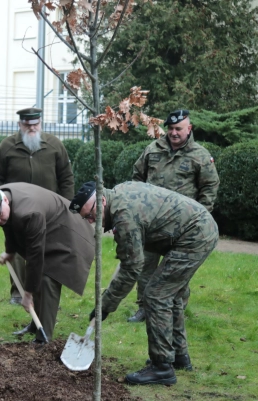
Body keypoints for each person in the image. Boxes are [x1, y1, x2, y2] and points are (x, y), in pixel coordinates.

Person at [70, 181, 218, 385]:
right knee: (170, 294)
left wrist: (105, 306)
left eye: (90, 214)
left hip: (194, 235)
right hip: (193, 228)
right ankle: (178, 356)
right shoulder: (118, 195)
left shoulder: (123, 217)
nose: (90, 221)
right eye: (86, 218)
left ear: (102, 200)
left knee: (156, 295)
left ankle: (161, 367)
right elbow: (132, 258)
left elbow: (132, 268)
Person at [0, 181, 94, 343]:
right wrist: (10, 251)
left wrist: (27, 293)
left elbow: (35, 257)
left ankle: (44, 338)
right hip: (48, 226)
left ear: (6, 201)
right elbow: (7, 225)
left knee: (48, 279)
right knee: (38, 277)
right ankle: (35, 325)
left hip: (69, 233)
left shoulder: (29, 212)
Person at [127, 109, 219, 323]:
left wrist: (201, 216)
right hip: (151, 222)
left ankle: (176, 307)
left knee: (176, 267)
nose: (174, 133)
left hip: (182, 226)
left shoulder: (200, 155)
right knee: (145, 265)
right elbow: (137, 177)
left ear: (189, 129)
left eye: (179, 129)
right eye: (170, 129)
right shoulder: (153, 149)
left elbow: (209, 187)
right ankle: (144, 308)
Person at [0, 108, 75, 313]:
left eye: (35, 124)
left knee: (47, 254)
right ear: (20, 125)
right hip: (16, 212)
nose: (32, 128)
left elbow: (66, 178)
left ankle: (46, 297)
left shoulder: (54, 145)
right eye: (27, 125)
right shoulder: (7, 147)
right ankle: (18, 293)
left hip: (50, 212)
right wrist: (1, 203)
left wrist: (67, 206)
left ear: (41, 123)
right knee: (17, 252)